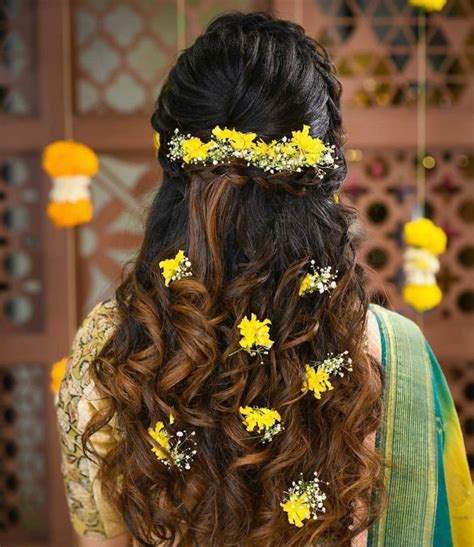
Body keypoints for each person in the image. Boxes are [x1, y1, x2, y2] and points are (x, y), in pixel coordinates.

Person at [55, 11, 473, 547]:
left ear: (175, 170)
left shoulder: (113, 347)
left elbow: (101, 537)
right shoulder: (394, 351)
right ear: (323, 171)